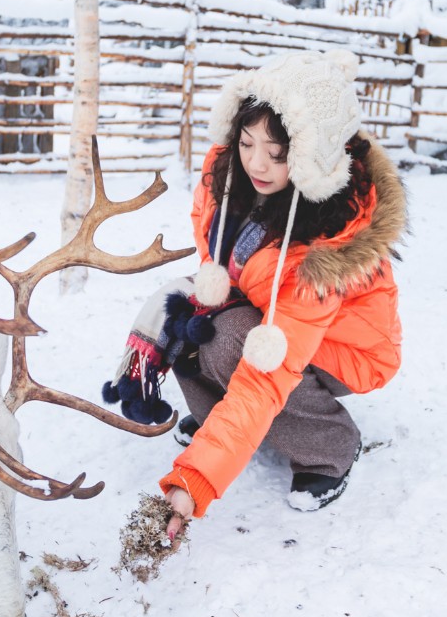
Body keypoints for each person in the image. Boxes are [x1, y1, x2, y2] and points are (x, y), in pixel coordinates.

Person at [101, 50, 406, 542]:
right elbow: (217, 271)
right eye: (247, 142)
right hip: (271, 319)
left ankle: (330, 444)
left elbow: (265, 377)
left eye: (278, 153)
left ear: (313, 157)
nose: (256, 163)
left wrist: (194, 480)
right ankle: (215, 423)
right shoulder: (229, 180)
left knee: (230, 343)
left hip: (348, 353)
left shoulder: (322, 253)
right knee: (183, 317)